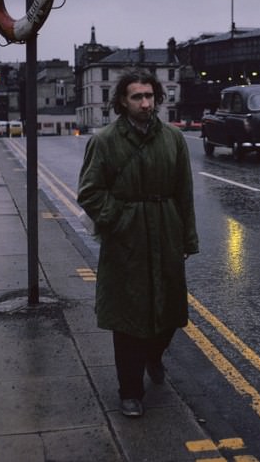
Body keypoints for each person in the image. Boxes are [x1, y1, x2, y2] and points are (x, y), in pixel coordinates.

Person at [77, 68, 199, 418]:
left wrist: (187, 237)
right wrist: (121, 219)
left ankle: (153, 355)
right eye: (137, 97)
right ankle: (130, 390)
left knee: (170, 312)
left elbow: (184, 193)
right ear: (122, 101)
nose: (146, 104)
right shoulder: (104, 140)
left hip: (166, 232)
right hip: (126, 241)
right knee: (129, 318)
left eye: (149, 96)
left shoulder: (173, 139)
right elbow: (89, 192)